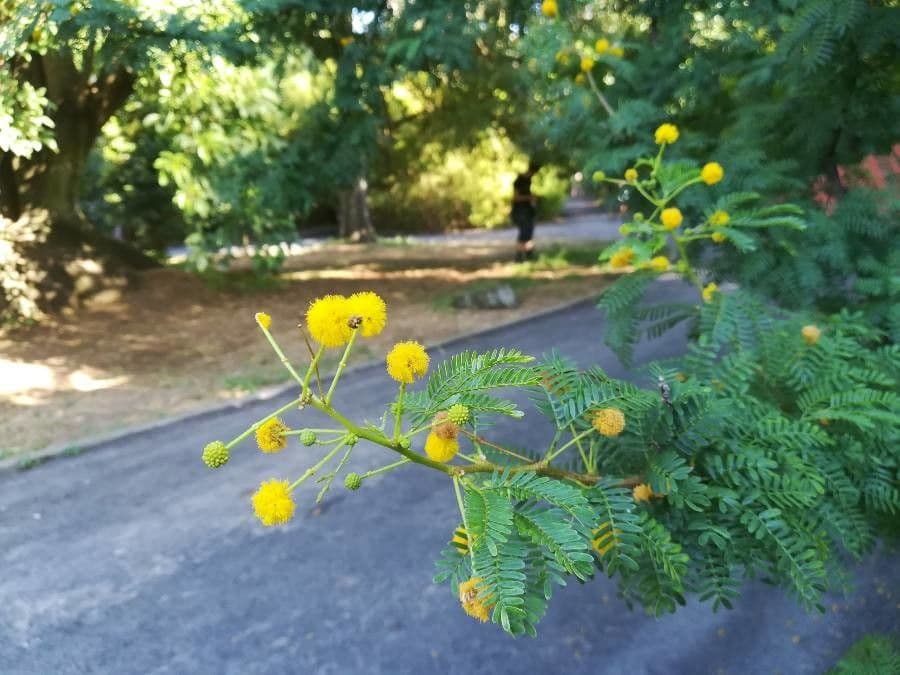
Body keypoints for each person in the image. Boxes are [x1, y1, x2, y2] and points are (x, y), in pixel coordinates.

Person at [511, 162, 539, 262]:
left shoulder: (528, 181)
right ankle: (519, 256)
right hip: (520, 211)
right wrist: (530, 197)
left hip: (527, 210)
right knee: (523, 233)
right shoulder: (519, 181)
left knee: (528, 232)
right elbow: (516, 197)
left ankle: (528, 254)